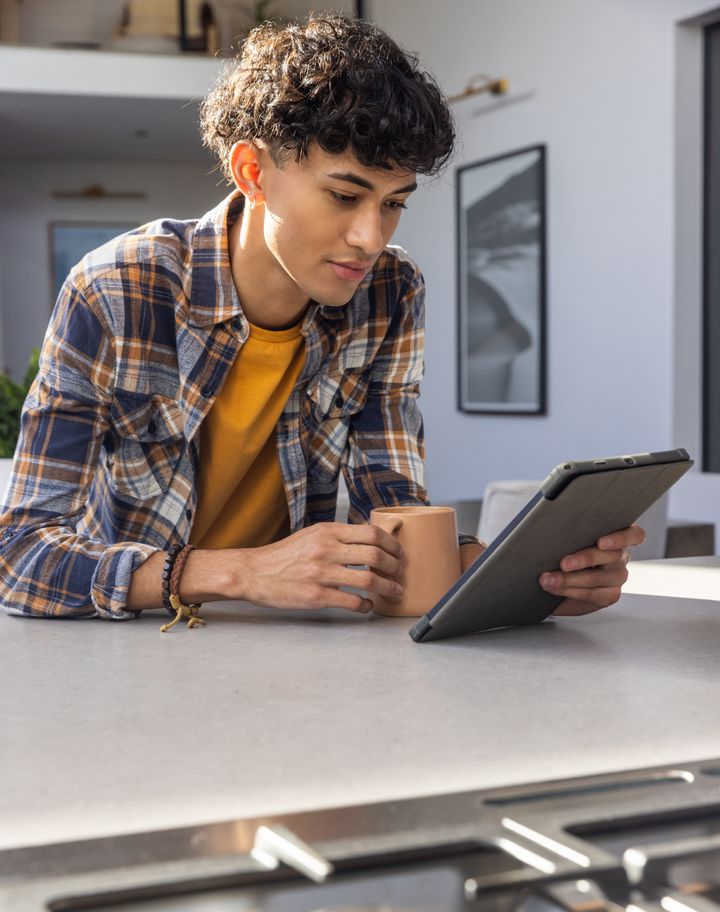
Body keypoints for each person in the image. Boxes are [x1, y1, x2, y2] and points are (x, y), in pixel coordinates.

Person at [0, 14, 643, 626]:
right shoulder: (117, 287)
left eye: (394, 204)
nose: (370, 237)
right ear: (253, 171)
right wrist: (241, 573)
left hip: (291, 645)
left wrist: (532, 580)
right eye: (344, 195)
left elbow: (390, 515)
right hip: (126, 644)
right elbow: (20, 560)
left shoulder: (391, 289)